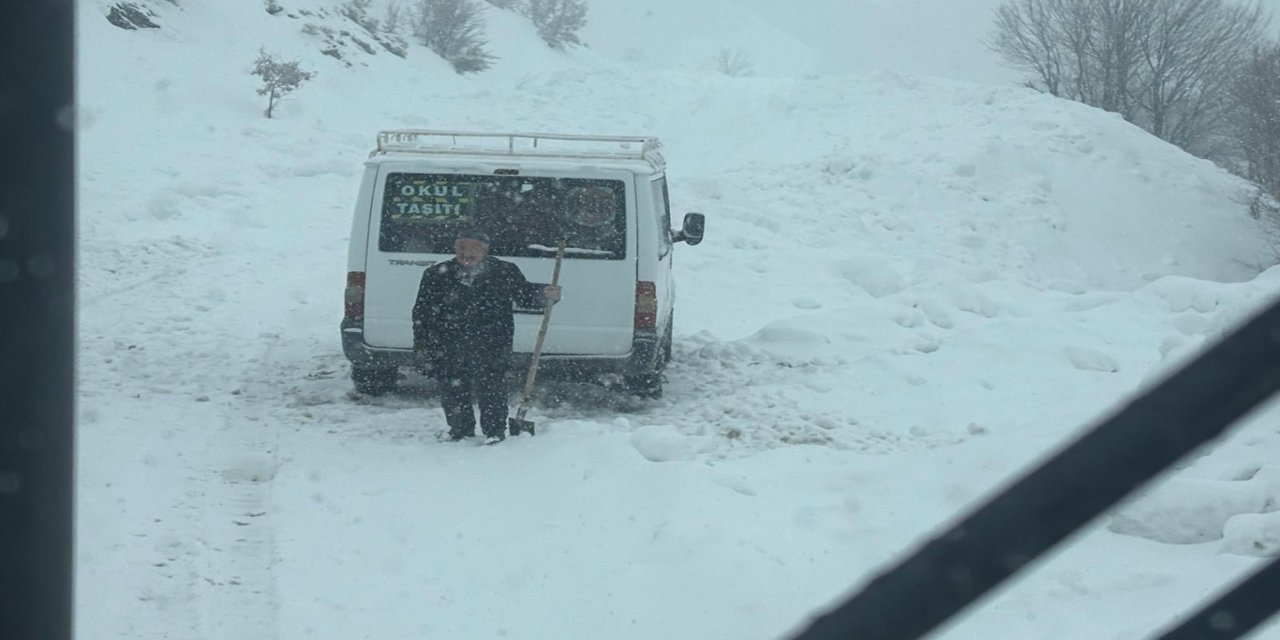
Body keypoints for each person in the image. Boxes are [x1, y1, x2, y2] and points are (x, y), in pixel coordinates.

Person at [411, 228, 562, 444]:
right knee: (453, 390)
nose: (466, 254)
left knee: (492, 391)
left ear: (485, 251)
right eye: (461, 248)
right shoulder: (436, 275)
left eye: (473, 249)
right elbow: (422, 314)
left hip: (492, 343)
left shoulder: (504, 271)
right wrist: (423, 346)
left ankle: (495, 432)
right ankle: (460, 431)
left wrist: (546, 294)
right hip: (449, 344)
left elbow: (525, 295)